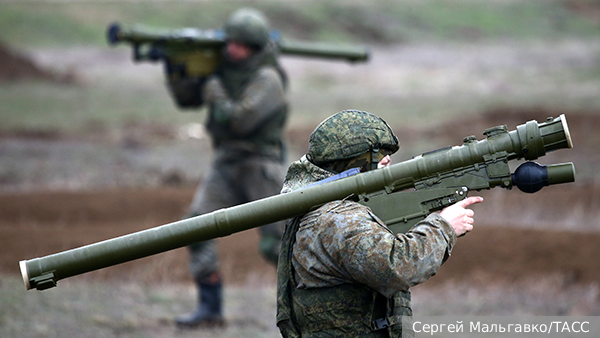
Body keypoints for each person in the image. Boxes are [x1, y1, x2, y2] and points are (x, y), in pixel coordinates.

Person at [276, 110, 483, 337]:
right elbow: (397, 267)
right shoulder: (339, 220)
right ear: (349, 160)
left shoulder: (322, 207)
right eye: (376, 154)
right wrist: (444, 226)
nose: (387, 160)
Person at [174, 8, 289, 328]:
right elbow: (186, 100)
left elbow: (240, 120)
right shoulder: (222, 71)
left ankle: (309, 302)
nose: (231, 49)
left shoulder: (268, 78)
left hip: (260, 166)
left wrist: (215, 92)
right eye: (230, 43)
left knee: (277, 244)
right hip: (225, 163)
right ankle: (210, 309)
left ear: (253, 47)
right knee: (196, 226)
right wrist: (179, 70)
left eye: (240, 45)